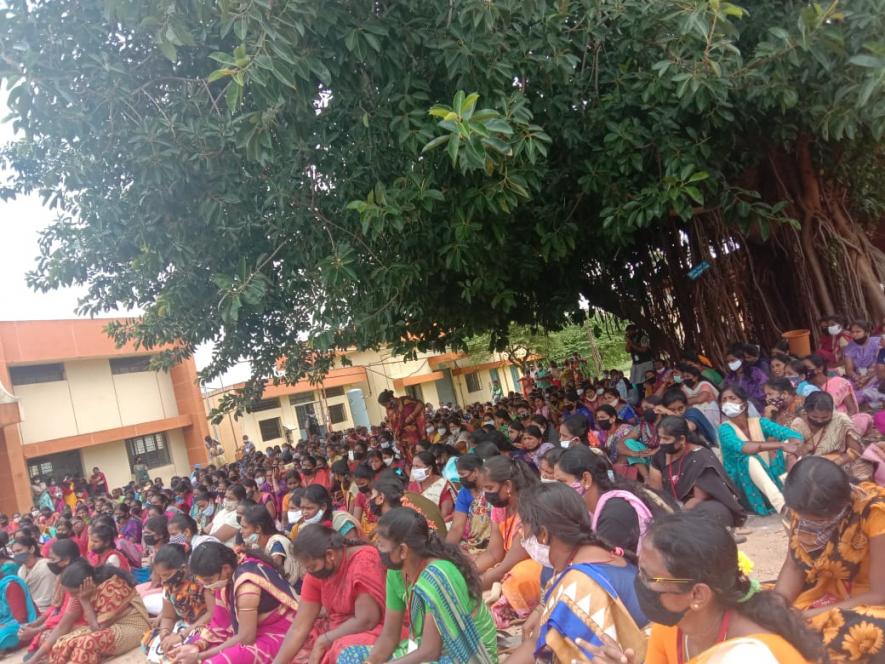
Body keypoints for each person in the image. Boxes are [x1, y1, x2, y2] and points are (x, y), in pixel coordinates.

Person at [591, 511, 824, 664]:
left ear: (697, 595)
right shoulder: (674, 629)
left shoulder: (753, 656)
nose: (639, 582)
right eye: (640, 570)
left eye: (650, 577)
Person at [506, 482, 648, 663]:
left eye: (522, 526)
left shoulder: (579, 584)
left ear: (543, 534)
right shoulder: (606, 555)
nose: (521, 533)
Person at [343, 507, 498, 664]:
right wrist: (370, 662)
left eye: (381, 544)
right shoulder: (396, 573)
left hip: (466, 654)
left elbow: (430, 651)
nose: (378, 549)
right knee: (350, 656)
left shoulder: (437, 576)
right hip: (424, 649)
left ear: (403, 550)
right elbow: (390, 635)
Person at [773, 457, 885, 661]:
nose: (807, 525)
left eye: (818, 522)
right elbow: (794, 565)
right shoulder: (803, 504)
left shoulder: (876, 513)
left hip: (867, 596)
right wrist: (777, 607)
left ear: (841, 507)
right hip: (823, 587)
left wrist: (813, 614)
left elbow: (879, 594)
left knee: (865, 633)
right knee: (763, 615)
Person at [274, 525, 386, 664]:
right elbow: (299, 628)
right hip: (337, 628)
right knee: (300, 645)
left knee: (340, 651)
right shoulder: (317, 572)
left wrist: (324, 640)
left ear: (330, 555)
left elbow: (367, 620)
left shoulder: (363, 561)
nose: (306, 573)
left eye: (311, 567)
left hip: (375, 628)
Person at [174, 541, 298, 664]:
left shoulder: (246, 585)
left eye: (209, 580)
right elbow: (219, 626)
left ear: (225, 568)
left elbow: (246, 638)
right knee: (190, 645)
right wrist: (198, 645)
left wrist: (199, 656)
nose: (208, 585)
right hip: (249, 632)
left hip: (278, 634)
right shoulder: (227, 575)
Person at [555, 445, 673, 556]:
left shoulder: (615, 513)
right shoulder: (591, 509)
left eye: (562, 482)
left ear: (586, 479)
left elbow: (601, 565)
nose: (557, 489)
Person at [474, 456, 541, 627]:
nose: (485, 494)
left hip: (535, 564)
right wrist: (468, 571)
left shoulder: (530, 509)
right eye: (483, 489)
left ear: (508, 486)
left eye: (489, 488)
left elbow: (507, 564)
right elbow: (493, 553)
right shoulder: (500, 508)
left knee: (516, 576)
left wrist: (469, 585)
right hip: (508, 564)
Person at [648, 416, 745, 529]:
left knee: (710, 512)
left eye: (666, 439)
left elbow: (699, 498)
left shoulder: (701, 457)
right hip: (671, 506)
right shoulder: (659, 456)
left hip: (699, 505)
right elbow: (656, 492)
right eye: (660, 438)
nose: (661, 443)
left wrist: (677, 515)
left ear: (682, 439)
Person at [718, 386, 801, 516]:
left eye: (732, 398)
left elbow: (793, 435)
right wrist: (778, 445)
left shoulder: (759, 422)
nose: (728, 403)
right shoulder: (724, 429)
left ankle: (797, 493)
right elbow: (743, 447)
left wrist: (790, 448)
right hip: (744, 483)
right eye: (724, 400)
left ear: (744, 404)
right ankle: (782, 506)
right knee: (749, 459)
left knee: (788, 445)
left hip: (770, 477)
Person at [47, 559, 151, 664]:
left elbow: (97, 629)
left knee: (87, 643)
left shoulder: (112, 587)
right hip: (110, 625)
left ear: (86, 584)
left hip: (133, 627)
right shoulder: (94, 586)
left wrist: (84, 601)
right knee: (64, 641)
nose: (73, 597)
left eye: (74, 593)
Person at [141, 543, 210, 662]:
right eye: (161, 576)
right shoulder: (169, 587)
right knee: (148, 640)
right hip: (185, 626)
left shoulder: (201, 582)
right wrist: (165, 634)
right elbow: (168, 616)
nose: (164, 580)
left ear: (183, 568)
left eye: (167, 575)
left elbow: (211, 614)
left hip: (205, 626)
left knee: (186, 649)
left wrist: (182, 635)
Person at [789, 390, 864, 470]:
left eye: (825, 417)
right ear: (807, 412)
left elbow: (855, 450)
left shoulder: (840, 420)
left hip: (838, 463)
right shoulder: (798, 424)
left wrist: (833, 464)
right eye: (814, 417)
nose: (819, 421)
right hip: (810, 466)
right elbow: (796, 452)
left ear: (832, 412)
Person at [803, 353, 874, 436]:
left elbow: (852, 410)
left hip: (842, 423)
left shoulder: (839, 382)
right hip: (818, 425)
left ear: (820, 368)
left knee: (862, 420)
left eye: (807, 368)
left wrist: (837, 424)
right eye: (803, 369)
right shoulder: (806, 388)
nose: (805, 371)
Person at [240, 505, 300, 586]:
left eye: (244, 527)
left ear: (258, 528)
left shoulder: (277, 543)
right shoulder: (256, 545)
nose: (241, 531)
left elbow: (272, 571)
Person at [446, 453, 493, 554]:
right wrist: (446, 551)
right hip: (474, 543)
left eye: (462, 474)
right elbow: (457, 526)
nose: (460, 479)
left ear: (475, 471)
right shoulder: (464, 493)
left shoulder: (493, 489)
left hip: (495, 541)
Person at [406, 451, 457, 521]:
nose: (414, 470)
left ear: (429, 469)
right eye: (413, 466)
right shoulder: (413, 486)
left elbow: (444, 516)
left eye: (417, 466)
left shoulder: (443, 485)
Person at [377, 389, 426, 463]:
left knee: (418, 452)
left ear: (391, 399)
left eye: (385, 404)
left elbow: (420, 404)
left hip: (414, 432)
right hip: (401, 436)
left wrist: (411, 416)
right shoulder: (389, 410)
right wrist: (395, 439)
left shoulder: (404, 400)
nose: (386, 407)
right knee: (408, 456)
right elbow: (394, 426)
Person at [298, 484, 363, 539]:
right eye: (302, 508)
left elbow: (353, 550)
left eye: (309, 508)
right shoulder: (304, 528)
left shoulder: (341, 523)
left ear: (323, 507)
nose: (304, 513)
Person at [0, 559, 37, 652]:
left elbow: (21, 618)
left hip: (21, 625)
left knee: (5, 634)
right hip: (4, 624)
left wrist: (2, 625)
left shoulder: (11, 586)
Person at [13, 534, 55, 612]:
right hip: (27, 608)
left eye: (19, 550)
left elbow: (47, 598)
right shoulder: (21, 570)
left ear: (31, 549)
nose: (16, 554)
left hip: (45, 610)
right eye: (14, 552)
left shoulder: (46, 566)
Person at [723, 345, 768, 413]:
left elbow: (765, 389)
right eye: (728, 362)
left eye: (732, 360)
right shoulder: (729, 378)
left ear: (741, 359)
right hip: (739, 410)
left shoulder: (755, 372)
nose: (730, 364)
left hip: (759, 409)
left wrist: (750, 399)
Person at [843, 318, 881, 387]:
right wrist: (857, 378)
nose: (854, 334)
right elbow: (849, 370)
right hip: (859, 376)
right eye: (852, 332)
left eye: (858, 331)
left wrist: (868, 377)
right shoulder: (849, 348)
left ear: (866, 332)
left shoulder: (877, 342)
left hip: (877, 372)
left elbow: (881, 362)